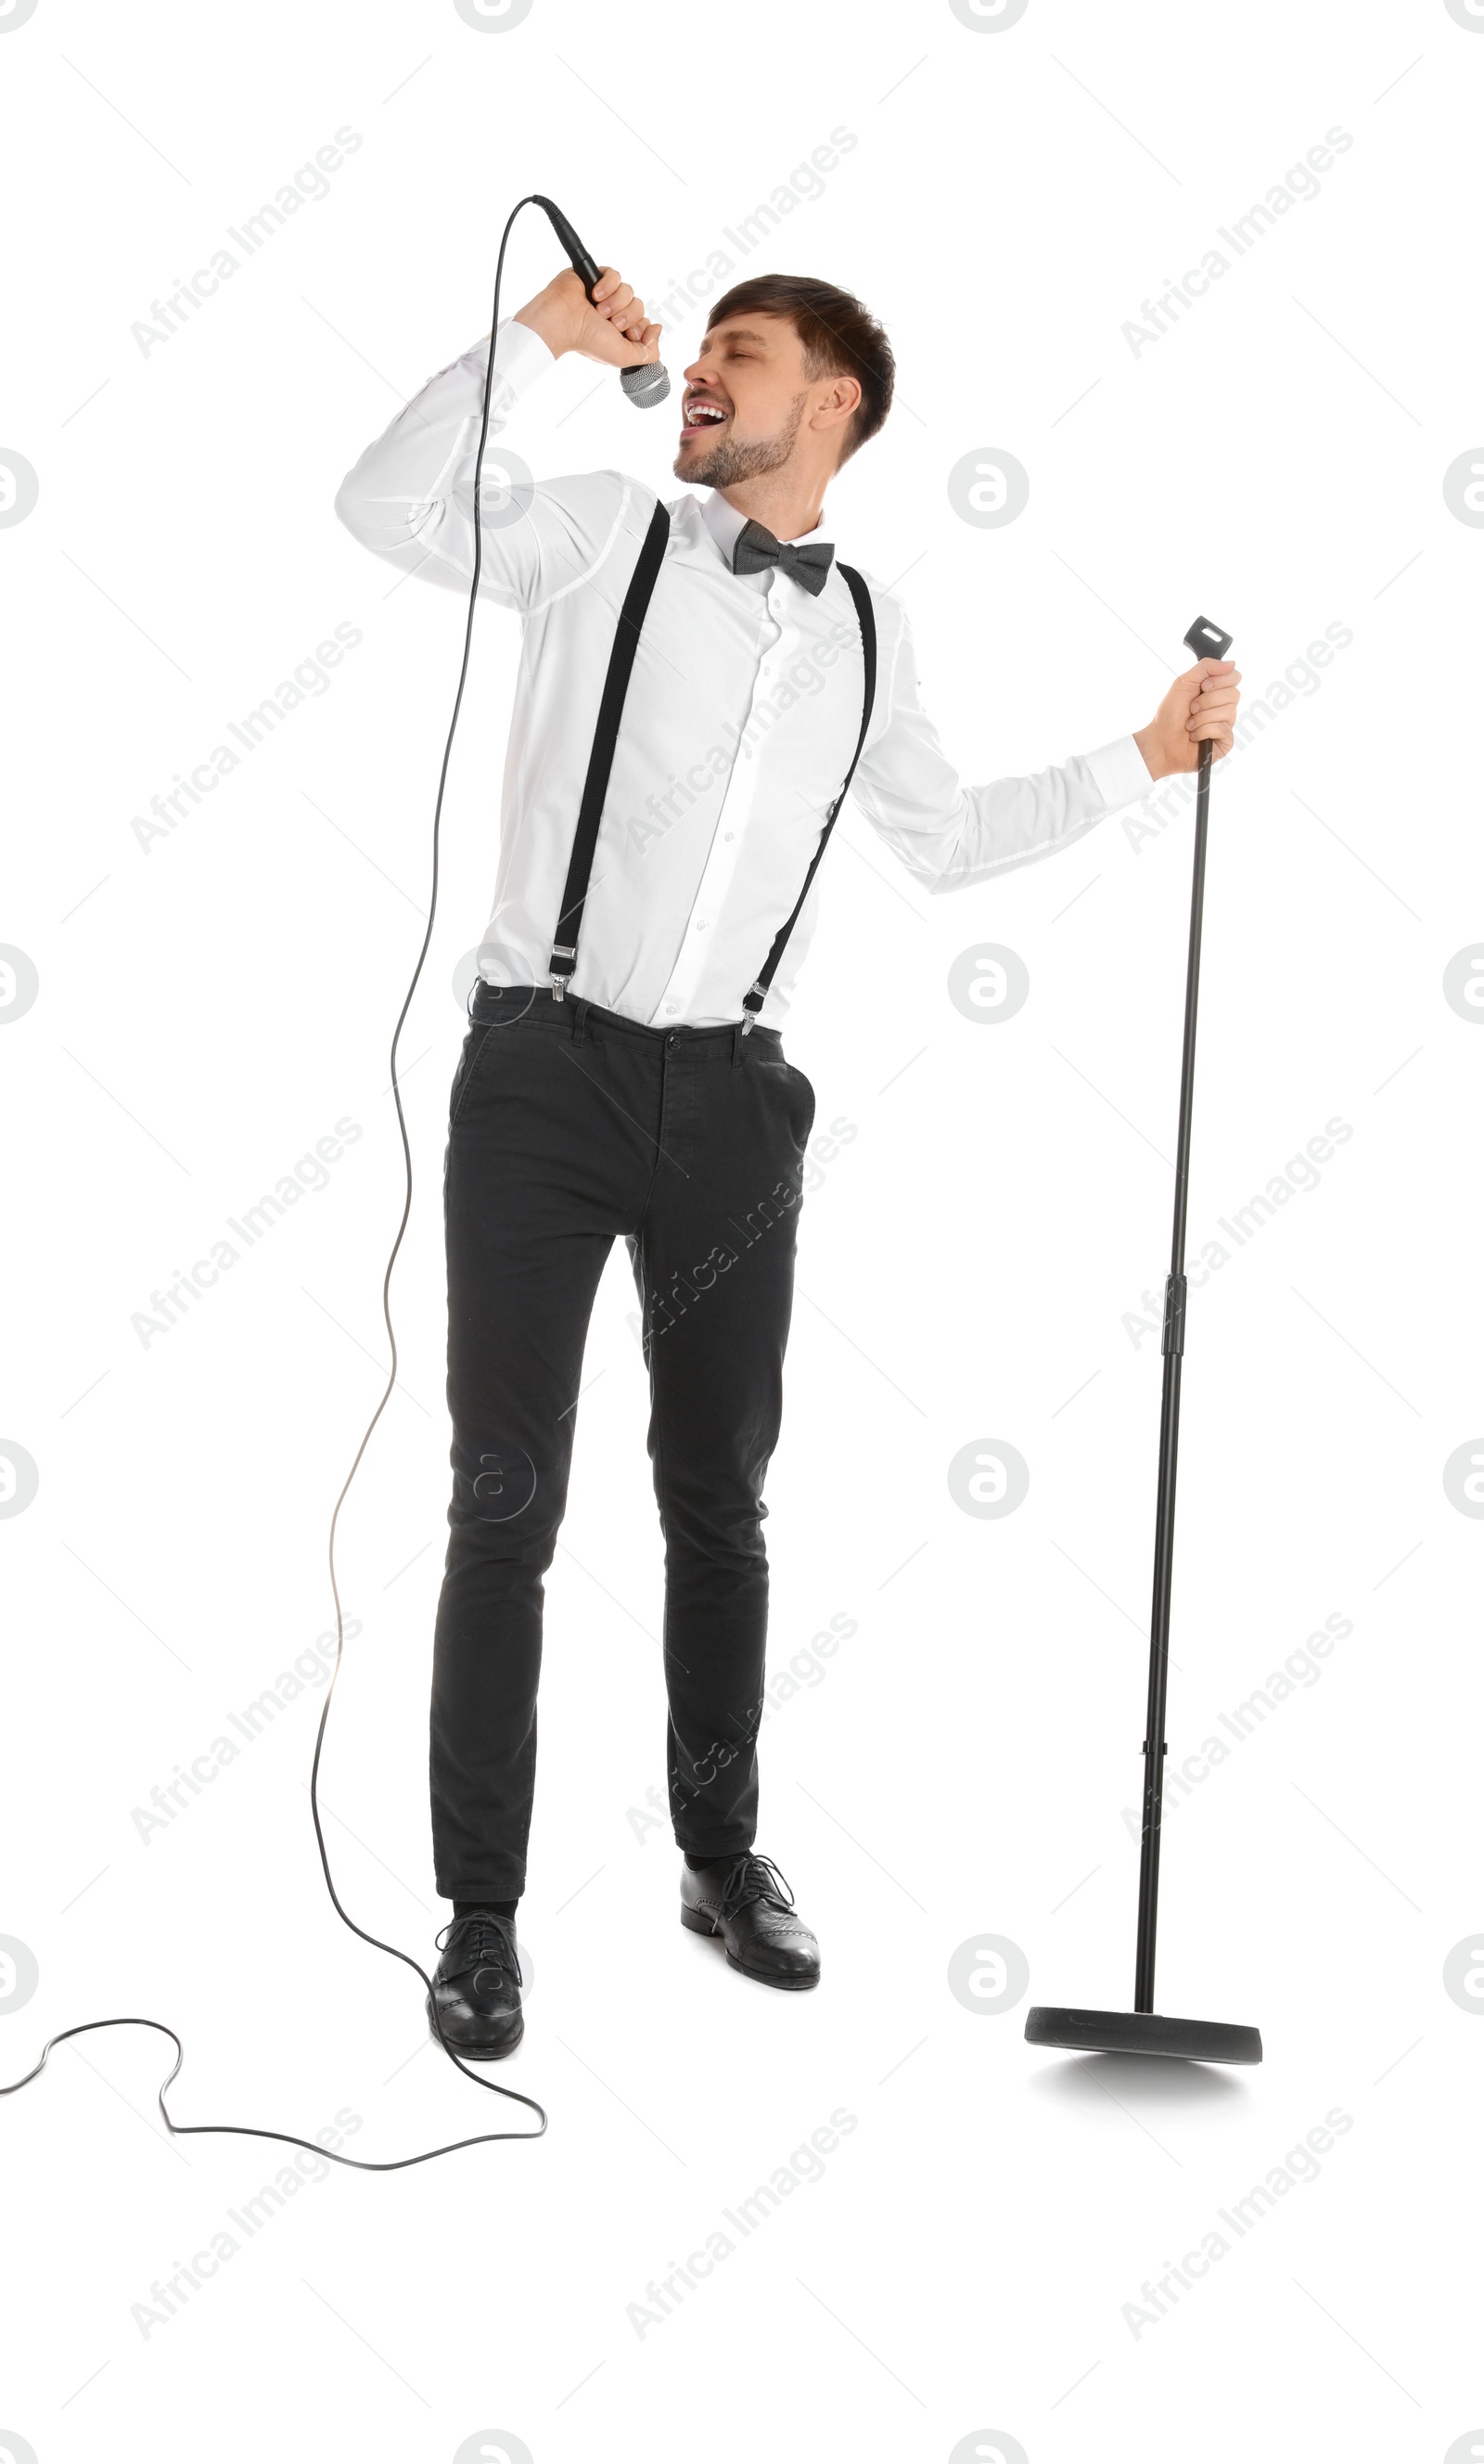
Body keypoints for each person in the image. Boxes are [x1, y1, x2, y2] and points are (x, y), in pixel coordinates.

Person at [335, 262, 1240, 2058]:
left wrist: (1140, 759)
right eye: (701, 355)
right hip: (542, 1065)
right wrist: (535, 343)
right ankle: (481, 1911)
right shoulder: (601, 533)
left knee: (719, 1502)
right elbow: (383, 503)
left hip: (737, 1099)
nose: (699, 378)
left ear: (831, 404)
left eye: (739, 358)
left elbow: (949, 835)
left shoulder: (873, 631)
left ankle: (718, 1851)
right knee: (502, 1497)